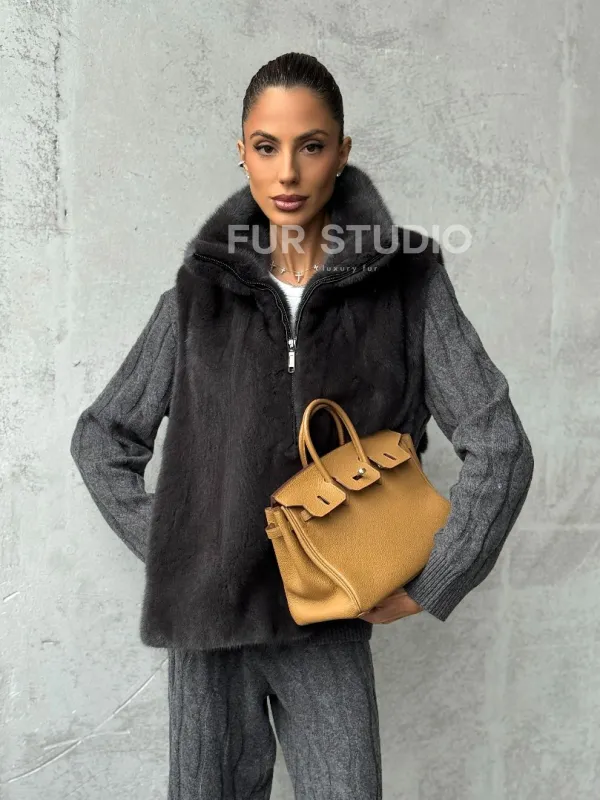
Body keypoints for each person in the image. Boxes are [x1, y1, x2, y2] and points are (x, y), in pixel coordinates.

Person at [70, 52, 534, 800]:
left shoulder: (408, 287)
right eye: (267, 146)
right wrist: (179, 547)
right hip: (209, 630)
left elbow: (500, 446)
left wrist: (434, 579)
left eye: (310, 146)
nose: (287, 172)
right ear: (243, 152)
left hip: (328, 621)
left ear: (341, 152)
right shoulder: (197, 296)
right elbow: (102, 437)